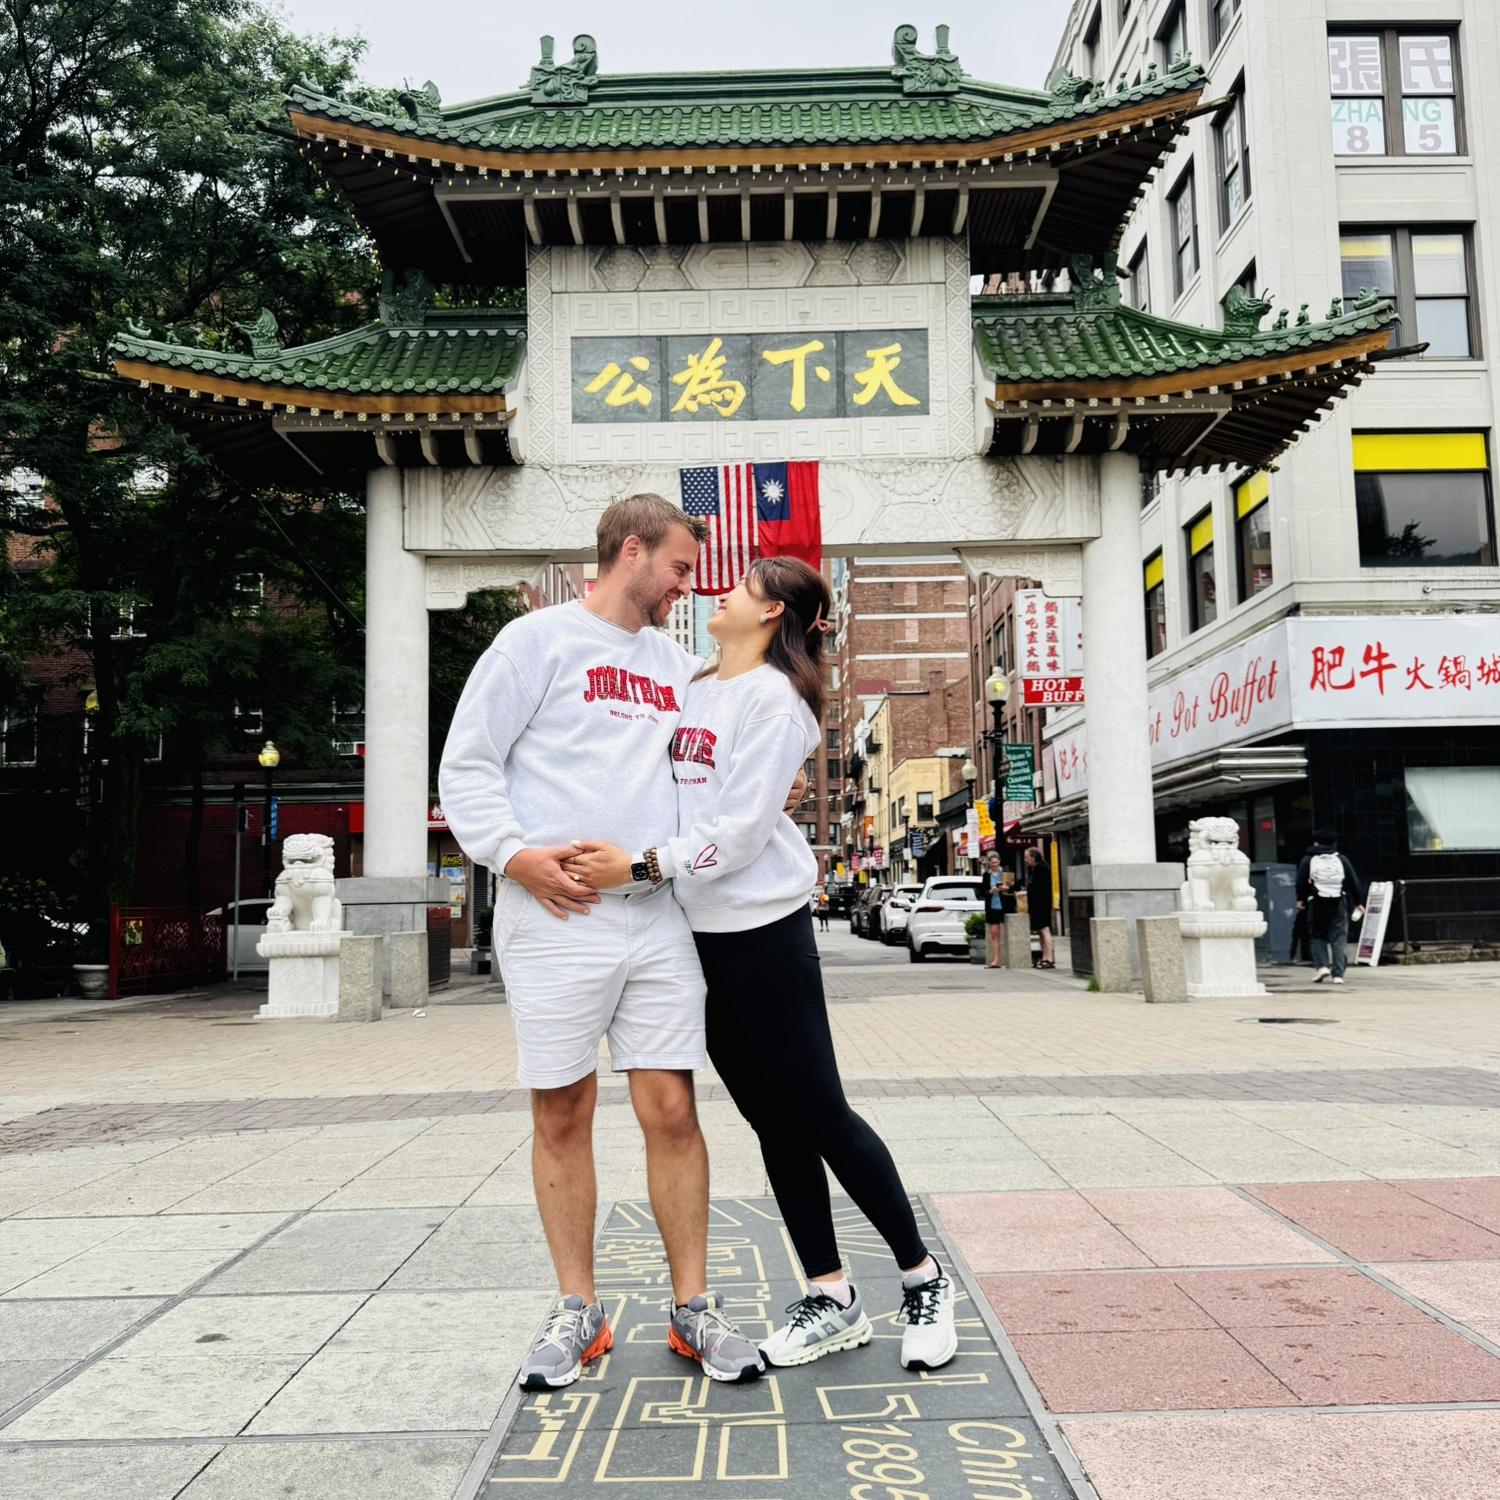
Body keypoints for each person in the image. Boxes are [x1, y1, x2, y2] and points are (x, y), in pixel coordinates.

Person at [566, 557, 958, 1374]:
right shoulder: (699, 682)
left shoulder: (776, 705)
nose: (720, 592)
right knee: (770, 1120)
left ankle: (922, 1276)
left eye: (741, 587)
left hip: (762, 929)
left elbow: (742, 833)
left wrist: (637, 867)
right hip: (695, 935)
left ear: (772, 611)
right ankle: (832, 1295)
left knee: (819, 1111)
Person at [438, 494, 766, 1390]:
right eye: (680, 568)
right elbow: (466, 764)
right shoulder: (534, 643)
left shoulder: (678, 665)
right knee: (562, 1112)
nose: (687, 587)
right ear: (632, 550)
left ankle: (692, 1308)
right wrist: (515, 859)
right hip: (553, 919)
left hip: (653, 915)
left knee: (673, 1110)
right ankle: (577, 1311)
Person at [1296, 829, 1365, 986]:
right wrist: (1358, 902)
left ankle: (1321, 966)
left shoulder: (1308, 859)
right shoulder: (1341, 859)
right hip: (1338, 901)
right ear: (1333, 843)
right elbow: (1353, 881)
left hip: (1316, 902)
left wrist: (1301, 900)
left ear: (1316, 842)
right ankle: (1338, 975)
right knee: (1338, 937)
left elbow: (1300, 881)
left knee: (1317, 935)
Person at [1024, 846, 1054, 969]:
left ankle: (1049, 958)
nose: (1026, 860)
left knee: (1045, 930)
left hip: (1042, 904)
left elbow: (1038, 888)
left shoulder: (1042, 868)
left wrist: (1026, 892)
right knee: (1040, 931)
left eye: (1027, 857)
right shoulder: (1036, 868)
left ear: (1033, 857)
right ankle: (1044, 956)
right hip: (1038, 904)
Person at [983, 852, 1007, 968]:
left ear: (999, 862)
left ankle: (1007, 959)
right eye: (992, 863)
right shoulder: (986, 875)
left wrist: (1006, 888)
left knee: (1007, 933)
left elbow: (1015, 886)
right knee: (994, 933)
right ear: (989, 863)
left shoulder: (1005, 873)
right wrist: (990, 891)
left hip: (1005, 906)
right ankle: (996, 960)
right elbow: (983, 891)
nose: (994, 865)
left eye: (996, 863)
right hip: (992, 907)